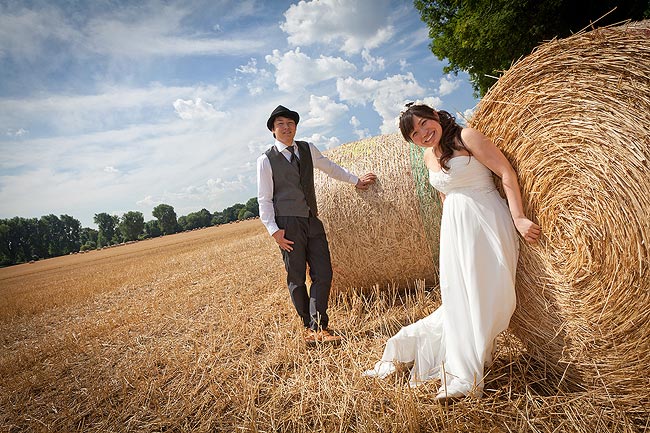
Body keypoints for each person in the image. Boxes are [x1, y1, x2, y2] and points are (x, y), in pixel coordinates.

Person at [363, 103, 540, 400]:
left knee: (487, 295)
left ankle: (468, 366)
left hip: (486, 219)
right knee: (460, 296)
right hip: (456, 229)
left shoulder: (466, 137)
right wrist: (452, 228)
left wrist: (519, 217)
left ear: (435, 116)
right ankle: (460, 369)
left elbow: (506, 172)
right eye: (414, 133)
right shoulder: (426, 155)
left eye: (423, 124)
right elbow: (445, 195)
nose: (422, 133)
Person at [257, 105, 377, 346]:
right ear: (273, 129)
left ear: (296, 127)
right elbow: (264, 199)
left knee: (324, 273)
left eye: (290, 123)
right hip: (287, 225)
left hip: (312, 219)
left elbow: (330, 168)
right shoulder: (265, 160)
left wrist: (355, 180)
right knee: (297, 277)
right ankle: (311, 328)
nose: (286, 127)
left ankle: (317, 324)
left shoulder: (307, 149)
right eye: (280, 123)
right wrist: (274, 231)